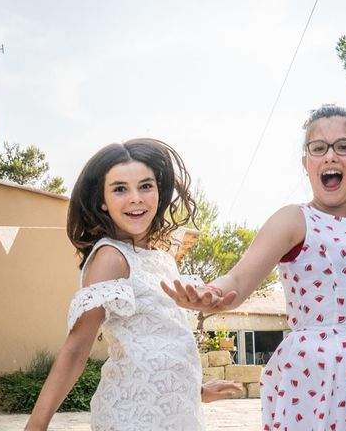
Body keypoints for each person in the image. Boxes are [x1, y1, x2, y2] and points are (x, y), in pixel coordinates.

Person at [162, 106, 346, 430]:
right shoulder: (294, 220)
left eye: (343, 146)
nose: (330, 156)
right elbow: (238, 278)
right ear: (306, 162)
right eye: (318, 148)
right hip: (312, 378)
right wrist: (212, 292)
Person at [25, 138, 239, 431]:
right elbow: (77, 348)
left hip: (176, 415)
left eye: (145, 186)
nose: (135, 198)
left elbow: (159, 339)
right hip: (133, 418)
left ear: (158, 192)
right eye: (120, 189)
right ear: (103, 200)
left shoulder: (162, 259)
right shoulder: (111, 257)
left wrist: (198, 391)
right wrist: (36, 426)